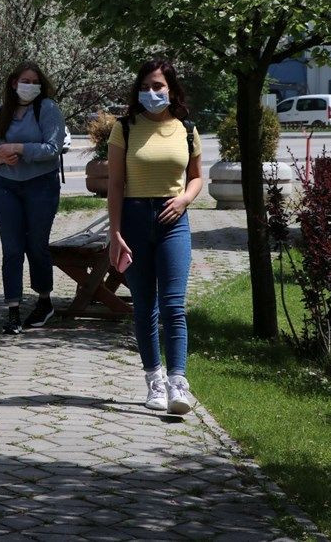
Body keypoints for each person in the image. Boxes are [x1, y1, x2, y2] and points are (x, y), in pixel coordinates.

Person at [106, 59, 203, 415]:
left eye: (158, 86)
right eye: (146, 86)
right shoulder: (125, 128)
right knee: (145, 305)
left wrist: (184, 199)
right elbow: (115, 184)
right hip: (133, 219)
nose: (152, 93)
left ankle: (178, 382)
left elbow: (196, 177)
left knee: (174, 305)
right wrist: (115, 232)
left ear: (171, 89)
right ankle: (155, 382)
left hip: (173, 221)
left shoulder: (187, 129)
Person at [0, 61, 66, 335]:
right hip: (7, 186)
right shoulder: (0, 113)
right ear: (13, 83)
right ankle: (13, 311)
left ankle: (44, 301)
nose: (29, 86)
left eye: (34, 81)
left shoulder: (48, 109)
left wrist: (19, 148)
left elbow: (53, 148)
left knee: (36, 245)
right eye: (24, 80)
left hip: (41, 186)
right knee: (12, 248)